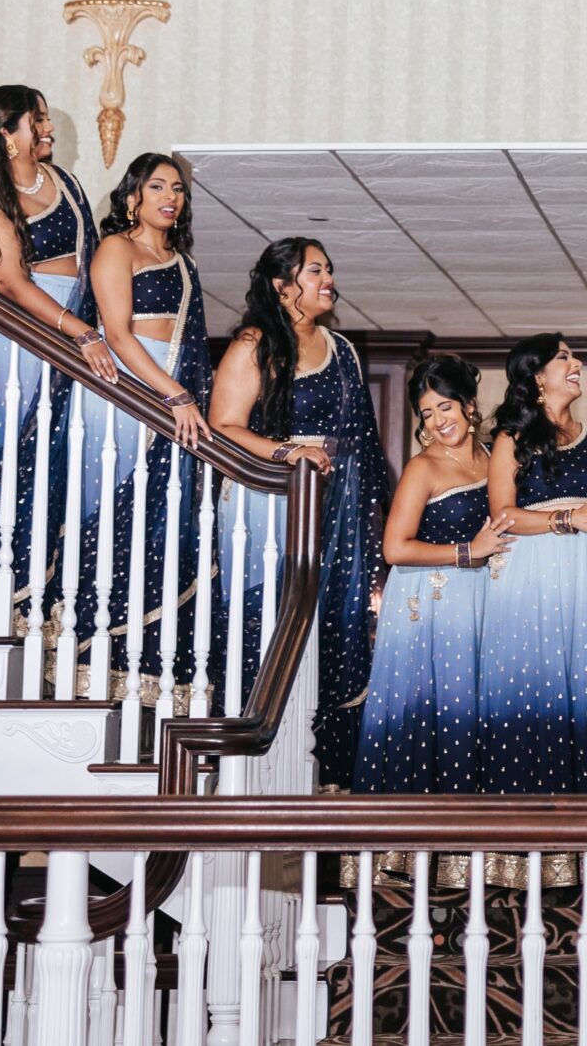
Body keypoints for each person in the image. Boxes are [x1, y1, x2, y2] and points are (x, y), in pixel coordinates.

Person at [206, 237, 388, 783]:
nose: (328, 279)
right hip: (268, 505)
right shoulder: (253, 345)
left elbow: (365, 445)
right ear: (282, 285)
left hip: (336, 509)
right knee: (268, 623)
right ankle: (244, 757)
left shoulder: (345, 350)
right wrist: (290, 453)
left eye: (329, 270)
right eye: (315, 271)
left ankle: (317, 771)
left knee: (327, 629)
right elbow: (224, 426)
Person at [0, 86, 114, 632]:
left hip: (68, 335)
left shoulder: (66, 183)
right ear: (7, 133)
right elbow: (8, 279)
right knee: (2, 466)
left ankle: (32, 602)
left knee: (51, 471)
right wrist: (79, 331)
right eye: (37, 121)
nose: (48, 130)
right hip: (14, 341)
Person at [78, 153, 209, 706]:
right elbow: (118, 334)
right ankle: (89, 643)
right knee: (113, 512)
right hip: (128, 395)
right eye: (156, 186)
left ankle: (142, 654)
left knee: (156, 527)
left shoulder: (183, 263)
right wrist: (173, 393)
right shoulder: (117, 249)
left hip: (168, 394)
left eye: (176, 189)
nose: (169, 197)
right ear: (132, 195)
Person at [477, 335, 587, 799]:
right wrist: (568, 519)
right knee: (534, 690)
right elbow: (503, 514)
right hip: (532, 573)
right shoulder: (512, 438)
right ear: (536, 376)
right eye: (563, 357)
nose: (575, 363)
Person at [354, 357, 512, 796]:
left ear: (468, 405)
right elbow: (394, 548)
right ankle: (411, 848)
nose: (439, 420)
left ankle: (472, 850)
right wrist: (467, 552)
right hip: (431, 606)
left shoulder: (493, 456)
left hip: (484, 602)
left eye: (446, 407)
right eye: (427, 412)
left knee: (479, 716)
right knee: (433, 717)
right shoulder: (423, 467)